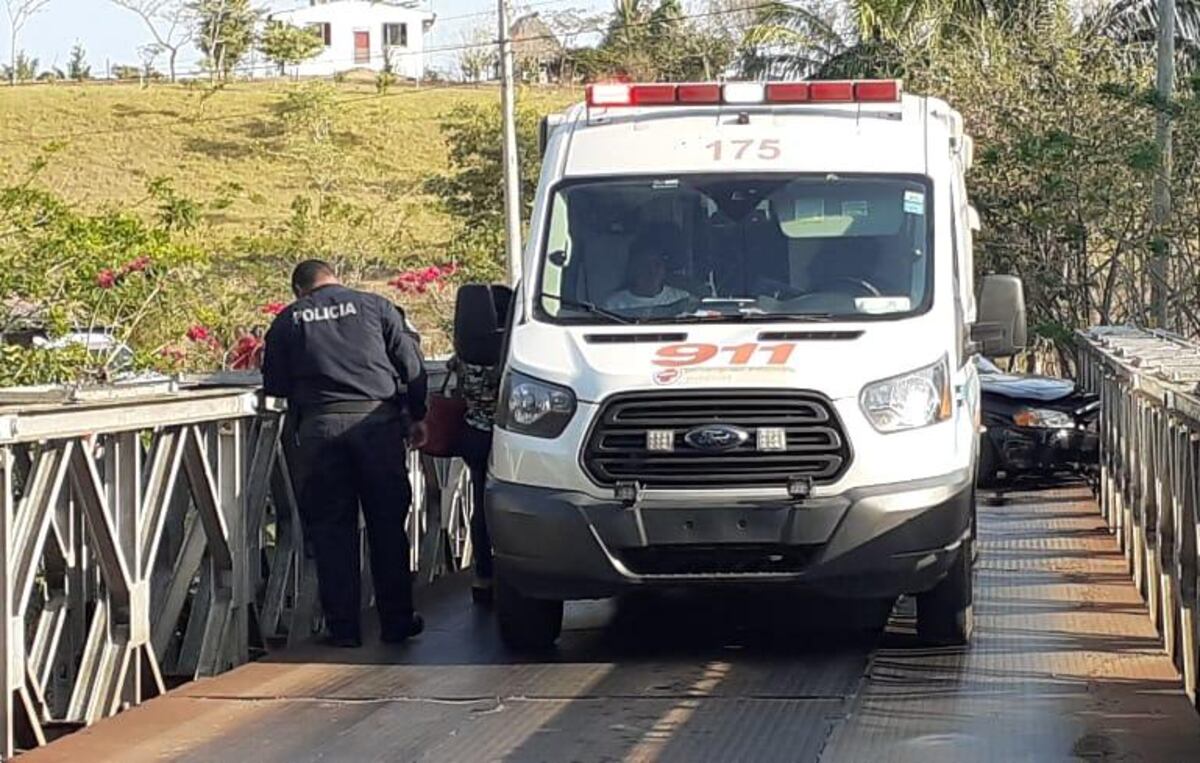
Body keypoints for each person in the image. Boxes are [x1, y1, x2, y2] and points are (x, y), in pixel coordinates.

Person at [262, 260, 429, 648]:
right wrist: (417, 415)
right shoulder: (376, 306)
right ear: (335, 276)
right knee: (387, 526)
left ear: (299, 290)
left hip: (320, 429)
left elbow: (275, 383)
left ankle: (344, 629)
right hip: (377, 425)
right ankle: (397, 622)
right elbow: (411, 365)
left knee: (332, 531)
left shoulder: (289, 319)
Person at [447, 353, 500, 602]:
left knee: (480, 505)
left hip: (475, 434)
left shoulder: (464, 357)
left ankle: (483, 574)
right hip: (508, 436)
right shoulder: (511, 351)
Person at [604, 233, 691, 311]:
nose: (652, 271)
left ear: (664, 268)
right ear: (634, 268)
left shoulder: (682, 299)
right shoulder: (614, 305)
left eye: (657, 264)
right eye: (645, 265)